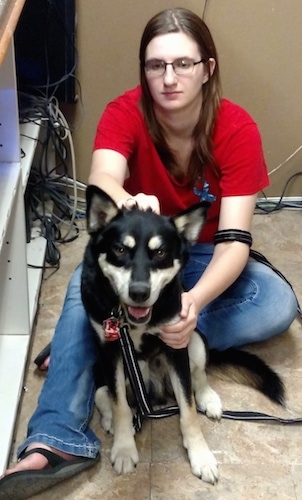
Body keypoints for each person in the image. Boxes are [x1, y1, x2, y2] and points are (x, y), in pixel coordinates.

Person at [0, 7, 298, 499]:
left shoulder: (236, 128)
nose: (169, 77)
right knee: (87, 288)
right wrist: (127, 202)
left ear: (208, 67)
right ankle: (56, 434)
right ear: (143, 70)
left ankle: (114, 340)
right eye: (156, 65)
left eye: (183, 63)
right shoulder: (126, 112)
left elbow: (235, 242)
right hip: (131, 265)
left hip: (192, 260)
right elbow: (101, 180)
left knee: (277, 304)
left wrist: (193, 304)